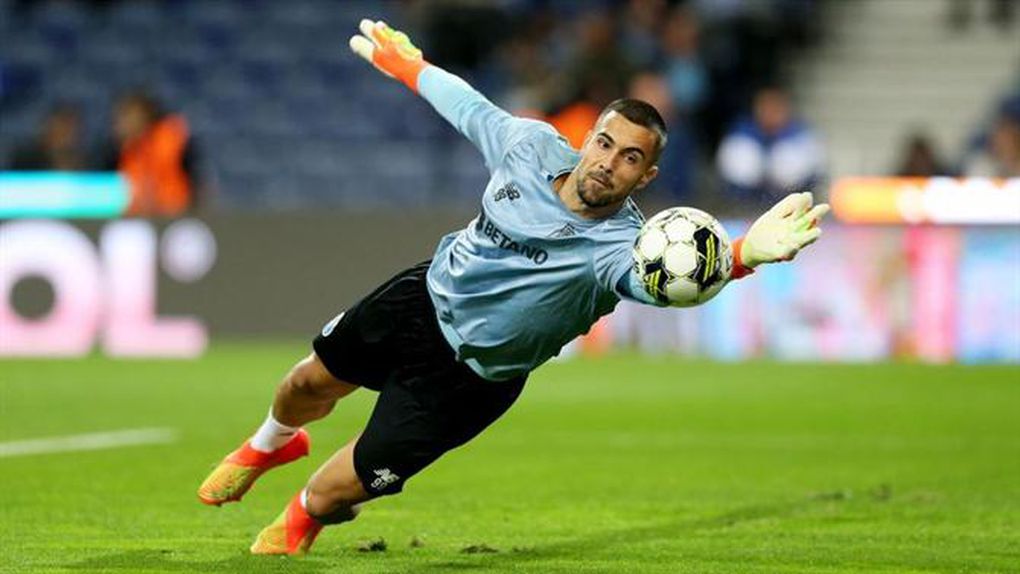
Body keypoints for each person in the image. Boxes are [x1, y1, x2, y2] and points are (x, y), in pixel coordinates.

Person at [197, 19, 830, 555]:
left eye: (630, 158)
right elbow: (470, 108)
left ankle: (305, 515)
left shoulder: (622, 248)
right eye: (605, 144)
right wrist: (410, 67)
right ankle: (270, 444)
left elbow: (665, 284)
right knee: (304, 384)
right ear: (588, 139)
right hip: (420, 300)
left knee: (330, 495)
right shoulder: (530, 147)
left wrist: (743, 255)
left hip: (470, 382)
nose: (608, 163)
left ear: (646, 176)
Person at [716, 86, 825, 207]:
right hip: (745, 203)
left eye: (776, 107)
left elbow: (811, 173)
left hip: (790, 203)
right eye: (765, 107)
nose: (770, 112)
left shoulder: (801, 134)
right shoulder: (740, 134)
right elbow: (735, 174)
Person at [105, 90, 201, 217]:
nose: (121, 125)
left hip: (175, 215)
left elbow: (196, 185)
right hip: (140, 218)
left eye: (127, 116)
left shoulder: (171, 142)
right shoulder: (119, 153)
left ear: (145, 116)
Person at [7, 104, 88, 171]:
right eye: (62, 127)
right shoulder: (25, 159)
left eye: (71, 127)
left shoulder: (89, 162)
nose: (67, 134)